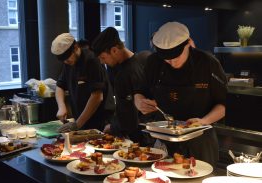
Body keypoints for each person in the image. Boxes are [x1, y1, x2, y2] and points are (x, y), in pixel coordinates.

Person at [134, 22, 227, 167]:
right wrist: (139, 102)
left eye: (176, 57)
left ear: (188, 44)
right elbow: (140, 92)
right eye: (167, 58)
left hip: (200, 139)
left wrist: (202, 122)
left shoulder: (207, 63)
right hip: (164, 138)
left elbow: (224, 104)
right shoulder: (153, 62)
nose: (171, 62)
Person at [92, 27, 155, 146]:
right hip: (122, 133)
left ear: (114, 50)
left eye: (103, 57)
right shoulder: (113, 67)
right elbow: (122, 104)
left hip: (139, 137)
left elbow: (134, 113)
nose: (101, 62)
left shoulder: (136, 69)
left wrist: (114, 126)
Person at [51, 33, 115, 132]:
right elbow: (60, 86)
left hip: (100, 121)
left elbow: (97, 96)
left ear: (76, 47)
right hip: (81, 121)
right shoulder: (68, 63)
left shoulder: (91, 60)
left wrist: (77, 124)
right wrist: (61, 107)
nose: (66, 62)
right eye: (63, 60)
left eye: (67, 58)